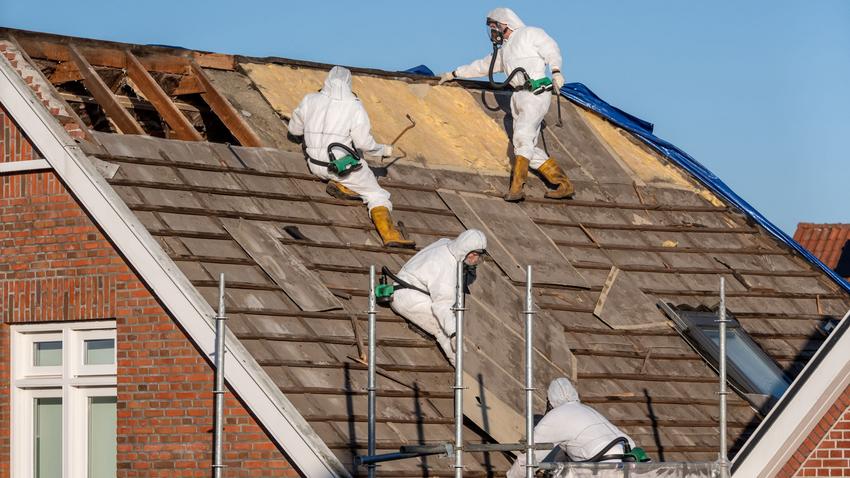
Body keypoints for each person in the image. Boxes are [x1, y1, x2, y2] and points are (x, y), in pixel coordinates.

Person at [439, 7, 574, 202]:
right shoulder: (504, 51)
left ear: (505, 24)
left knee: (522, 137)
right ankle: (563, 183)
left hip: (535, 93)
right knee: (525, 145)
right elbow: (482, 66)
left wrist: (555, 71)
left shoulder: (530, 34)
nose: (493, 31)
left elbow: (551, 49)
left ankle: (517, 188)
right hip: (518, 96)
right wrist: (454, 74)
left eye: (495, 26)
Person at [288, 66, 414, 248]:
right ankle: (391, 235)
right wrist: (383, 150)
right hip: (341, 168)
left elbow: (294, 130)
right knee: (377, 194)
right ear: (349, 83)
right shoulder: (354, 106)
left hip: (315, 165)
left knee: (354, 174)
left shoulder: (310, 100)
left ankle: (345, 188)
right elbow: (363, 144)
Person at [390, 229, 487, 366]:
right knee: (443, 330)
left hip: (407, 288)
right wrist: (454, 334)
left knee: (448, 320)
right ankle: (463, 369)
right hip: (408, 298)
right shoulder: (445, 267)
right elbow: (442, 306)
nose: (475, 260)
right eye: (474, 255)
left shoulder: (446, 244)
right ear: (465, 251)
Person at [506, 377, 636, 477]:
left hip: (604, 468)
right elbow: (568, 451)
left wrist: (511, 476)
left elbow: (530, 455)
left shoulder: (556, 416)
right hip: (634, 463)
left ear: (550, 402)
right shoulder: (587, 410)